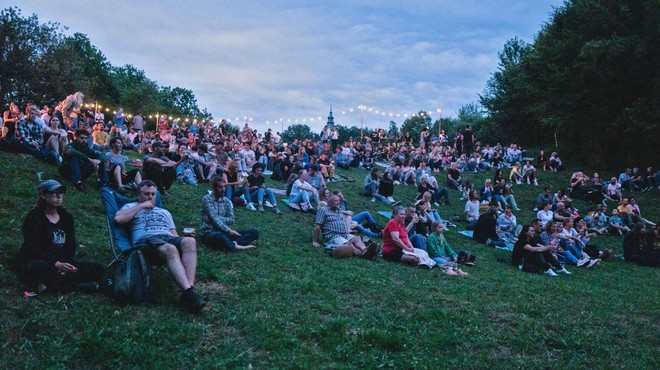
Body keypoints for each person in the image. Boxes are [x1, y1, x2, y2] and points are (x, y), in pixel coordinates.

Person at [114, 180, 206, 313]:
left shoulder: (164, 212)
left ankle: (188, 292)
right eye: (146, 194)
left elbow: (173, 234)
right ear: (139, 194)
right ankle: (190, 294)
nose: (150, 197)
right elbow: (119, 219)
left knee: (190, 241)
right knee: (170, 249)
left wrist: (184, 240)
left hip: (166, 237)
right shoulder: (130, 206)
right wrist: (141, 206)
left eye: (153, 194)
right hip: (146, 240)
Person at [14, 180, 104, 294]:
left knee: (98, 269)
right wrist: (56, 264)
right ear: (43, 195)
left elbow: (71, 245)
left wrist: (66, 265)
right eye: (54, 192)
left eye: (61, 192)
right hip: (39, 260)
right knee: (38, 267)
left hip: (61, 262)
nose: (59, 196)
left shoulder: (66, 217)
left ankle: (53, 285)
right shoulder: (34, 218)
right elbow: (32, 248)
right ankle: (76, 286)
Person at [200, 177, 259, 251]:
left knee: (254, 232)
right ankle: (234, 246)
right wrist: (228, 230)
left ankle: (234, 243)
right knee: (217, 235)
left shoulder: (227, 201)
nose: (223, 189)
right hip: (209, 232)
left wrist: (214, 219)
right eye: (220, 187)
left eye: (224, 186)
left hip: (224, 231)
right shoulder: (207, 199)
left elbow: (231, 219)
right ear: (214, 188)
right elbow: (214, 218)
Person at [312, 194, 378, 259]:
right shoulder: (323, 210)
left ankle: (364, 249)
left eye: (338, 201)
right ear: (329, 202)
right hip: (333, 236)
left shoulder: (338, 209)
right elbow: (317, 227)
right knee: (349, 244)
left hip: (344, 234)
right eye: (335, 201)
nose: (338, 202)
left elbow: (347, 215)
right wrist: (315, 241)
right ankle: (363, 254)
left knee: (357, 238)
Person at [59, 129, 109, 193]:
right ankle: (78, 182)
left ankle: (104, 183)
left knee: (100, 161)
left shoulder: (86, 148)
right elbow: (74, 152)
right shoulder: (70, 146)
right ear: (76, 137)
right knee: (75, 157)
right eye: (82, 138)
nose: (84, 140)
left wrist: (98, 160)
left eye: (86, 138)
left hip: (80, 171)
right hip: (67, 171)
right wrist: (88, 159)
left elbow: (102, 156)